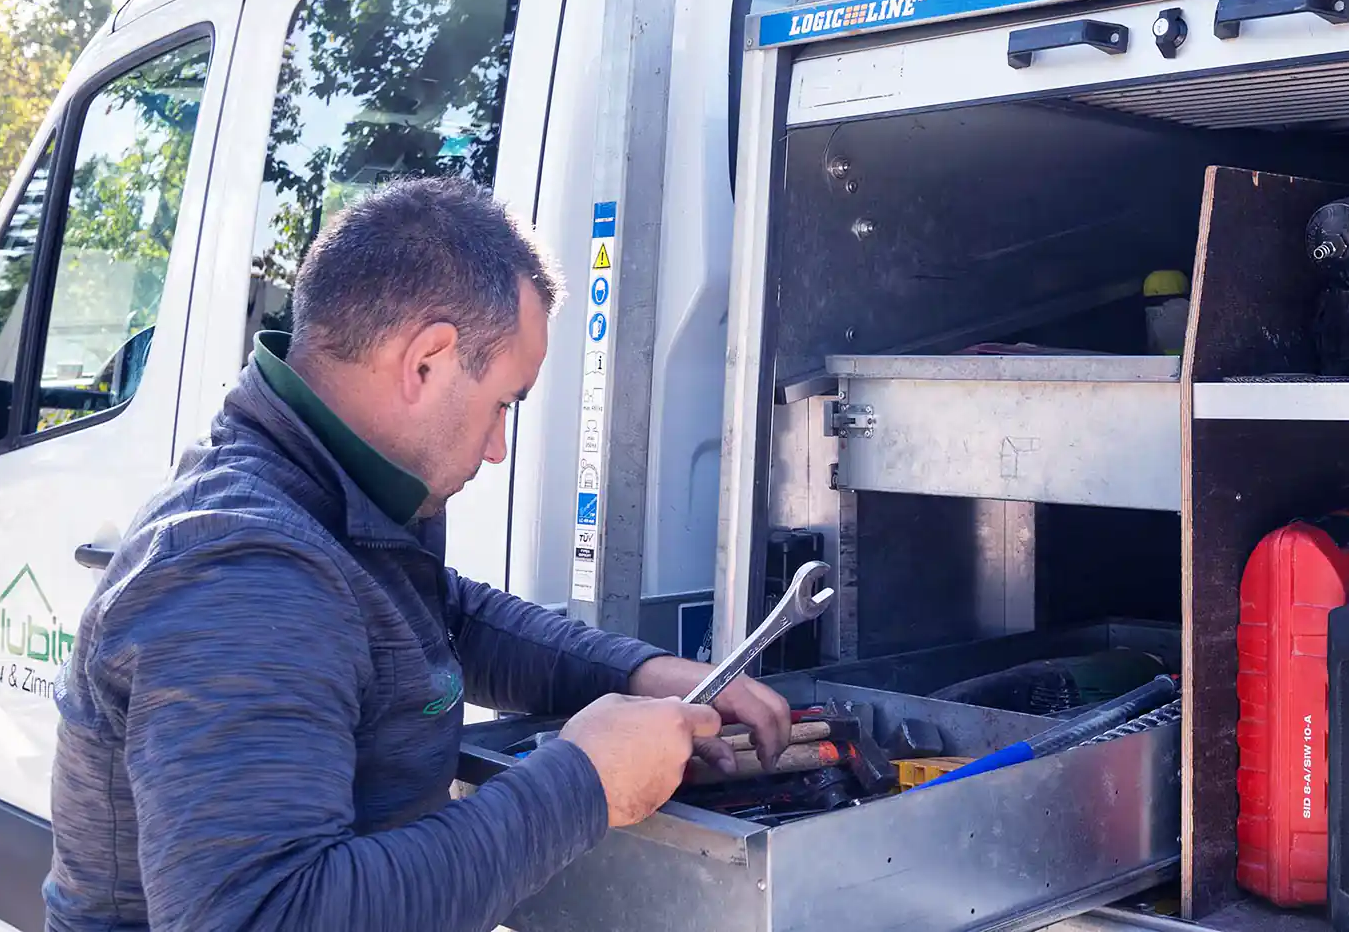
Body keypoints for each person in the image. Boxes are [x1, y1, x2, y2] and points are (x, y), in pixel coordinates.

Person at [44, 177, 791, 932]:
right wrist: (585, 781)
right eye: (504, 402)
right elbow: (265, 917)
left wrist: (635, 671)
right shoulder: (241, 570)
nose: (499, 447)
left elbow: (436, 616)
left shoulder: (326, 489)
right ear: (427, 360)